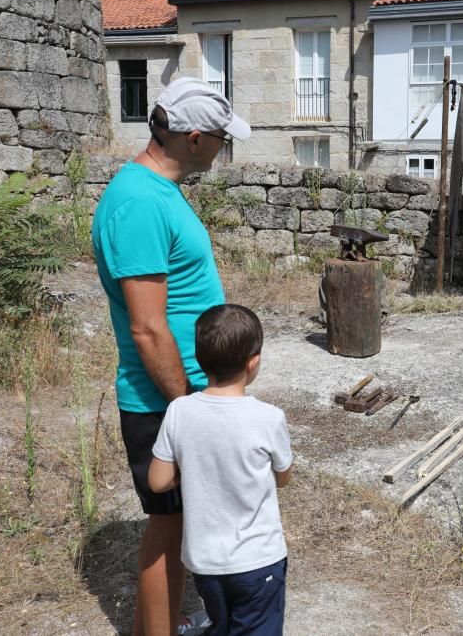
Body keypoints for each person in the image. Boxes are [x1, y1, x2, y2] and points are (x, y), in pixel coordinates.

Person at [91, 77, 251, 635]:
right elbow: (148, 328)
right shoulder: (137, 202)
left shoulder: (159, 191)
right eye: (222, 138)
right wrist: (189, 407)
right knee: (168, 532)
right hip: (163, 398)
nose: (224, 148)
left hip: (182, 393)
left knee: (179, 528)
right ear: (195, 137)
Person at [149, 304, 293, 636]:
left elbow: (158, 482)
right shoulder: (268, 417)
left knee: (221, 624)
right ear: (253, 361)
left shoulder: (179, 411)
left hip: (205, 563)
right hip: (259, 561)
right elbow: (283, 477)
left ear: (199, 361)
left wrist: (194, 465)